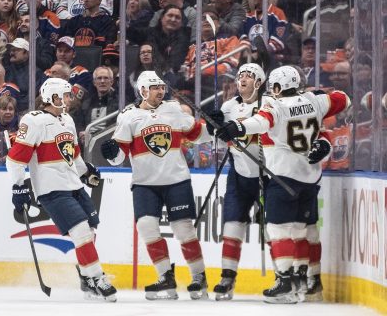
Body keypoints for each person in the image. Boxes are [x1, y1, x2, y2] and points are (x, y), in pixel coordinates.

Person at [216, 65, 350, 303]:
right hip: (309, 176)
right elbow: (343, 99)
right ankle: (305, 281)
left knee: (278, 229)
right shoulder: (314, 101)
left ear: (277, 87)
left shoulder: (276, 105)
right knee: (303, 229)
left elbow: (261, 122)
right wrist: (319, 95)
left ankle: (285, 282)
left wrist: (237, 126)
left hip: (282, 176)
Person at [100, 71, 212, 301]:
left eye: (161, 87)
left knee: (184, 229)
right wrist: (112, 154)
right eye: (154, 87)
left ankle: (199, 275)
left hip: (176, 180)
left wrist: (213, 123)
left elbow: (198, 134)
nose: (160, 91)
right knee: (147, 228)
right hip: (144, 184)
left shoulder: (173, 109)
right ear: (142, 90)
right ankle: (165, 277)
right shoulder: (129, 116)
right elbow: (119, 156)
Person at [6, 77, 117, 301]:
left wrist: (85, 171)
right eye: (65, 95)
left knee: (90, 232)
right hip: (51, 189)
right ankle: (97, 277)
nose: (69, 99)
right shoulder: (34, 121)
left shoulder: (67, 120)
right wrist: (18, 187)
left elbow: (73, 154)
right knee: (81, 232)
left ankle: (86, 279)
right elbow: (15, 160)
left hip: (73, 185)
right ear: (52, 97)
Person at [208, 63, 268, 301]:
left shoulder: (268, 105)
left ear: (259, 82)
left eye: (249, 76)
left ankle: (284, 276)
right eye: (240, 75)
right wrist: (216, 127)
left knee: (274, 228)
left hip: (267, 174)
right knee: (232, 225)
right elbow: (221, 142)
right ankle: (227, 277)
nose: (242, 79)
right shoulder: (228, 106)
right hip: (239, 174)